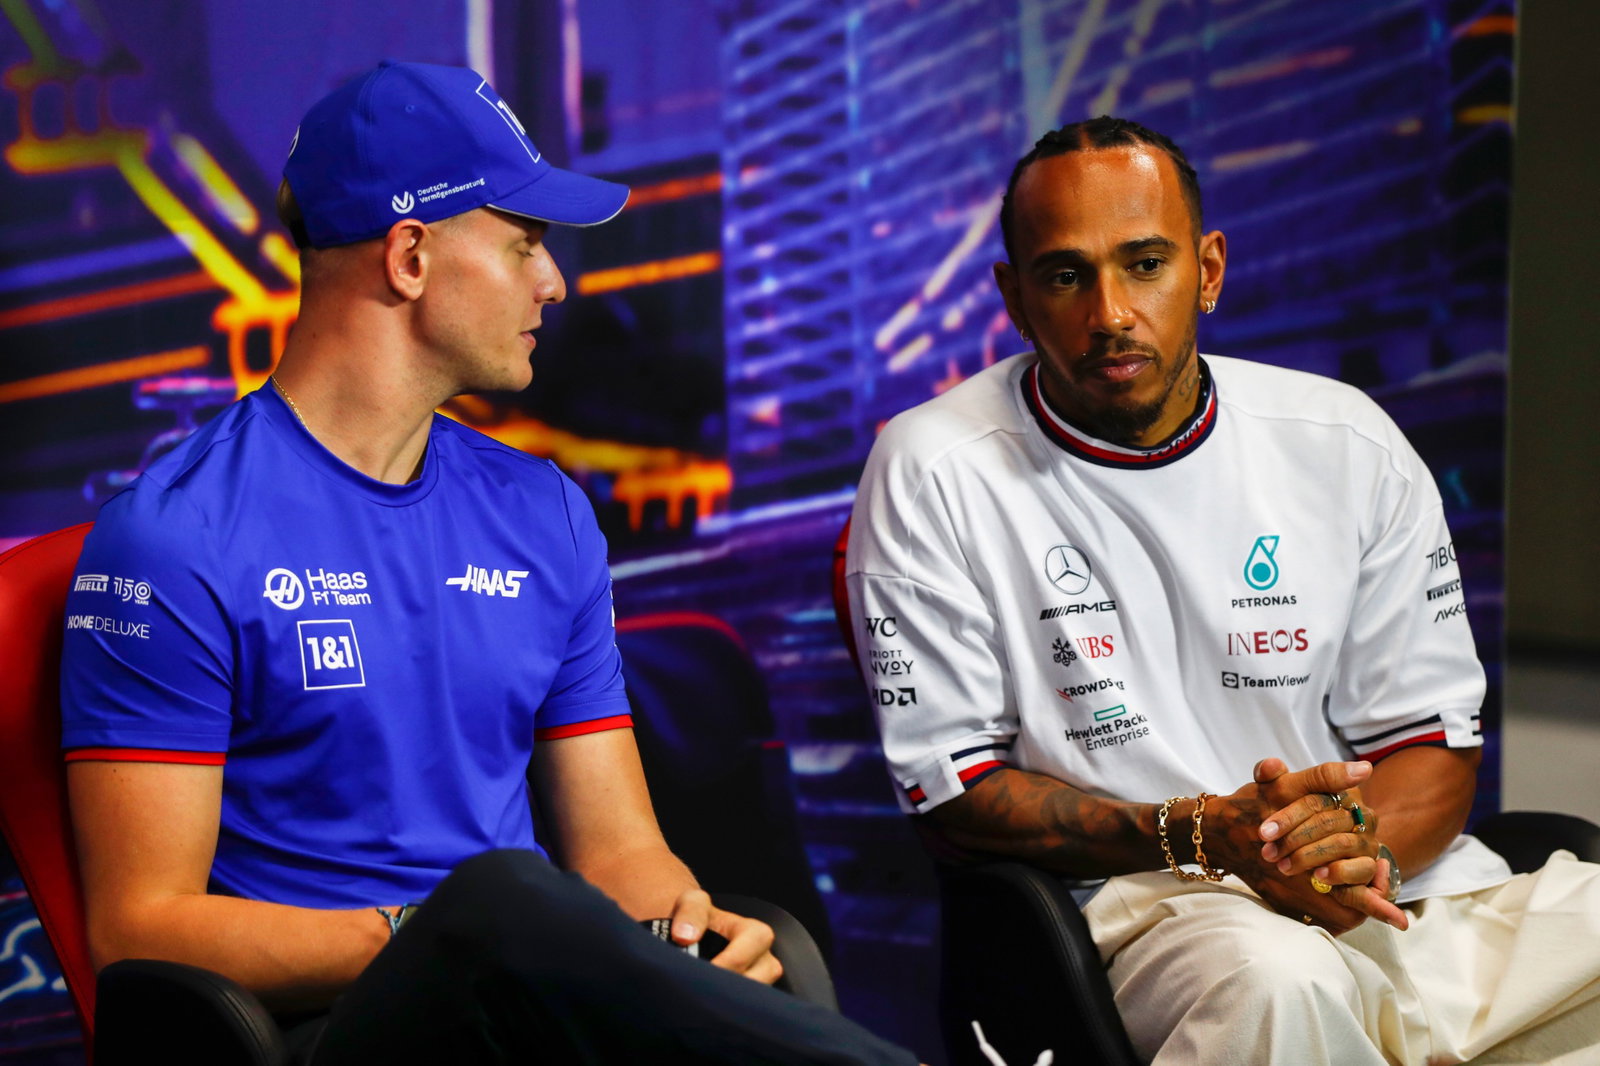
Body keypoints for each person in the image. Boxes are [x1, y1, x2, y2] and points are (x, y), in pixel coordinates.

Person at [60, 59, 916, 1065]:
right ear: (411, 258)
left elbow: (617, 851)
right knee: (500, 897)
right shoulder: (175, 535)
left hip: (528, 994)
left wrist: (681, 930)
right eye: (522, 244)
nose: (552, 281)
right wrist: (437, 933)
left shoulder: (544, 513)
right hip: (332, 1031)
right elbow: (141, 926)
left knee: (761, 956)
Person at [844, 116, 1600, 1064]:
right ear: (1015, 296)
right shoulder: (934, 468)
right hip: (1159, 915)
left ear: (1207, 270)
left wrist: (1343, 850)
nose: (1110, 312)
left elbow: (1426, 745)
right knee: (1280, 984)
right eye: (1067, 274)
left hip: (1398, 896)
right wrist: (1203, 835)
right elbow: (957, 795)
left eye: (1145, 264)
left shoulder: (1346, 440)